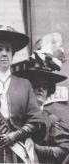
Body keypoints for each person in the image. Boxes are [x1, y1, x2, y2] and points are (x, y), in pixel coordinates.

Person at [0, 25, 46, 163]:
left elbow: (36, 121)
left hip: (18, 151)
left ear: (13, 54)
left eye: (8, 49)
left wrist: (15, 135)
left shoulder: (24, 84)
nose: (4, 53)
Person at [14, 33, 69, 164]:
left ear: (49, 90)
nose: (40, 89)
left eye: (44, 86)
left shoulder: (53, 121)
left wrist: (35, 149)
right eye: (36, 85)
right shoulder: (16, 118)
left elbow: (65, 151)